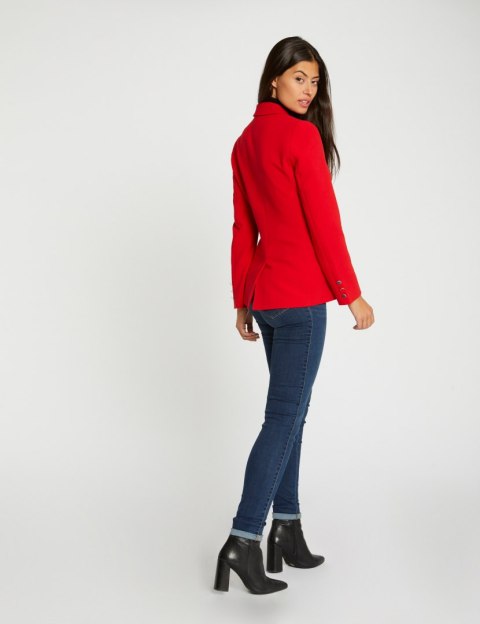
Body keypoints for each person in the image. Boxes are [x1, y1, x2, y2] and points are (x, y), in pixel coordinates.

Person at [214, 36, 374, 595]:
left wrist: (241, 299)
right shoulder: (300, 137)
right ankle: (243, 538)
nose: (308, 90)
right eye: (299, 78)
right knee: (284, 418)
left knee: (291, 416)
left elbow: (243, 229)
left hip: (266, 299)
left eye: (315, 81)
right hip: (302, 300)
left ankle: (287, 527)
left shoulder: (245, 141)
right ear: (274, 80)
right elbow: (324, 222)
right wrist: (350, 293)